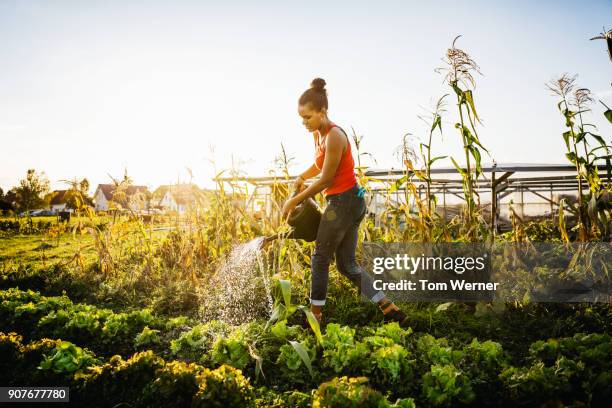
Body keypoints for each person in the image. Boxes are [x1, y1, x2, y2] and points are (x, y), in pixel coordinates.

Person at [281, 78, 408, 326]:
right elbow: (320, 165)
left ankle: (314, 318)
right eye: (301, 118)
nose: (304, 123)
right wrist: (301, 177)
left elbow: (327, 178)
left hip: (345, 203)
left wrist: (293, 200)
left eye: (307, 117)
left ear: (322, 112)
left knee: (320, 257)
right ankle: (390, 309)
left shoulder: (335, 136)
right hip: (348, 203)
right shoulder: (318, 135)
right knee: (347, 266)